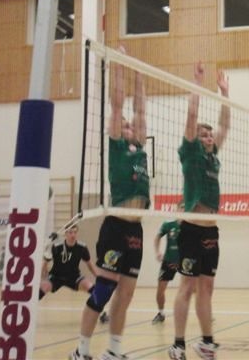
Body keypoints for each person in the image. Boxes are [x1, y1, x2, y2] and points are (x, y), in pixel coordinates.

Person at [71, 46, 150, 360]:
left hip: (136, 230)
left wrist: (140, 73)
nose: (130, 126)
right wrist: (119, 64)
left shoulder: (140, 148)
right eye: (125, 125)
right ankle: (81, 350)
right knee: (104, 289)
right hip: (116, 227)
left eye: (131, 126)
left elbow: (141, 111)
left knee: (126, 293)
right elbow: (117, 105)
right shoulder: (117, 147)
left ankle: (114, 351)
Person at [168, 63, 230, 360]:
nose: (208, 137)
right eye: (203, 134)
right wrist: (197, 83)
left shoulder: (212, 156)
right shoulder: (190, 153)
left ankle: (206, 342)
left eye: (209, 135)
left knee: (207, 287)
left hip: (210, 232)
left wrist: (225, 94)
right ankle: (178, 344)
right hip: (191, 229)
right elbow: (192, 117)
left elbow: (225, 126)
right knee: (187, 286)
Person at [39, 225, 97, 300]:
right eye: (70, 232)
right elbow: (44, 264)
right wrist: (43, 278)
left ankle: (96, 307)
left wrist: (99, 278)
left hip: (74, 277)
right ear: (65, 234)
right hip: (56, 277)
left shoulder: (82, 247)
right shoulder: (56, 247)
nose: (73, 235)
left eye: (75, 232)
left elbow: (90, 265)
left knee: (91, 287)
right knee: (43, 288)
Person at [152, 219, 181, 324]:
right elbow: (157, 237)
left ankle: (205, 312)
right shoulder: (168, 225)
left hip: (185, 261)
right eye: (180, 209)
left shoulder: (191, 225)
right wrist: (157, 252)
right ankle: (161, 313)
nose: (183, 211)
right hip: (169, 261)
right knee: (160, 290)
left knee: (197, 288)